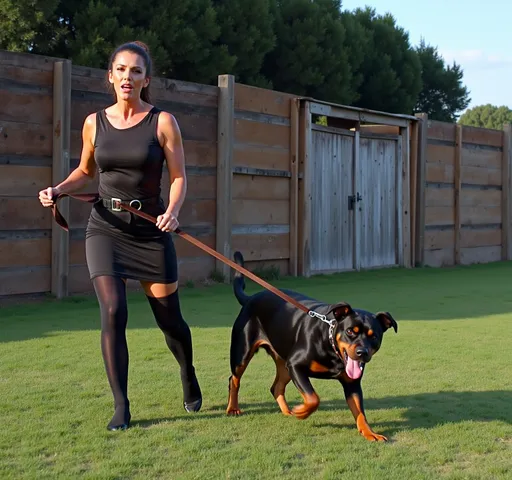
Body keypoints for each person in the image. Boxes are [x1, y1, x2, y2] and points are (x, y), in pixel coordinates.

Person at [39, 40, 202, 431]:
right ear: (110, 76)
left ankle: (187, 372)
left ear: (147, 79)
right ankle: (121, 405)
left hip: (150, 231)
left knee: (171, 322)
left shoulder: (162, 122)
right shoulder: (95, 122)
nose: (128, 77)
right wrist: (59, 188)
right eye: (122, 70)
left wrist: (172, 212)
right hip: (105, 228)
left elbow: (178, 177)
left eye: (137, 71)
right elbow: (86, 171)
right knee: (113, 310)